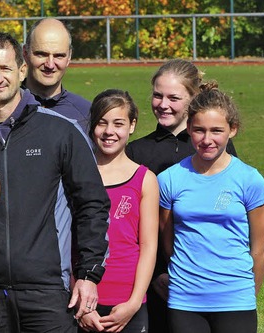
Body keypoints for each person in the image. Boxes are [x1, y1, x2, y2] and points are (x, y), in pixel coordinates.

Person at [0, 31, 110, 332]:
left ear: (21, 71)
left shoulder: (60, 132)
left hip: (46, 290)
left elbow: (92, 204)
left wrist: (89, 274)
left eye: (5, 68)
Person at [125, 59, 237, 332]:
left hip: (206, 281)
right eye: (157, 95)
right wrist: (155, 276)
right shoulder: (137, 152)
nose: (163, 104)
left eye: (174, 98)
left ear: (193, 99)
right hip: (151, 280)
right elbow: (131, 225)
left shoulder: (215, 149)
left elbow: (228, 216)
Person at [159, 84, 264, 333]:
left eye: (216, 131)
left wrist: (246, 295)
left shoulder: (250, 180)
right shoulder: (169, 179)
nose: (207, 139)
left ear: (232, 130)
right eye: (199, 130)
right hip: (185, 300)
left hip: (235, 299)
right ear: (188, 129)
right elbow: (168, 241)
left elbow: (259, 250)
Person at [78, 90, 158, 333]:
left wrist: (134, 303)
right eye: (102, 123)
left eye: (118, 123)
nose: (109, 131)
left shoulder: (145, 179)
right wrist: (81, 303)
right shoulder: (77, 174)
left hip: (127, 300)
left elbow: (148, 246)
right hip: (82, 298)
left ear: (132, 126)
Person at [23, 18, 91, 133]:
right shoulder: (3, 110)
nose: (50, 65)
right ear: (25, 53)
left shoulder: (86, 114)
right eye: (41, 54)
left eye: (59, 56)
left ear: (69, 57)